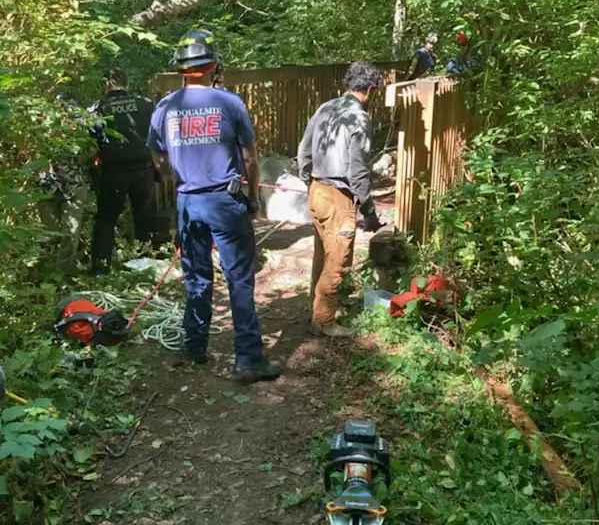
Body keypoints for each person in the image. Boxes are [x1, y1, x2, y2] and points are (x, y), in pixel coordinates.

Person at [147, 29, 282, 383]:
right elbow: (251, 158)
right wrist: (252, 199)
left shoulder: (165, 108)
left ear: (181, 69)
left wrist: (174, 178)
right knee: (239, 278)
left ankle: (195, 348)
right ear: (213, 66)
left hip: (189, 203)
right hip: (226, 200)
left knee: (196, 277)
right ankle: (248, 360)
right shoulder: (229, 103)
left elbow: (157, 155)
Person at [297, 62, 387, 338]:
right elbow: (358, 171)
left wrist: (310, 182)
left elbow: (303, 152)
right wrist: (369, 212)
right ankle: (323, 322)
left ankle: (317, 308)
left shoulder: (325, 108)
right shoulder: (359, 119)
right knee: (338, 262)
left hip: (316, 190)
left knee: (322, 254)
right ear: (370, 89)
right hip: (338, 196)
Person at [88, 67, 158, 273]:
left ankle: (101, 265)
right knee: (144, 214)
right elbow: (157, 135)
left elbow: (91, 147)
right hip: (143, 170)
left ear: (106, 84)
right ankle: (144, 259)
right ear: (125, 82)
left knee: (106, 217)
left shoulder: (98, 109)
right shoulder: (145, 104)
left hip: (113, 172)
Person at [37, 93, 91, 271]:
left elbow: (90, 153)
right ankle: (44, 272)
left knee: (71, 233)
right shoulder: (40, 126)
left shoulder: (82, 128)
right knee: (49, 232)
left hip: (73, 185)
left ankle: (61, 275)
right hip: (47, 187)